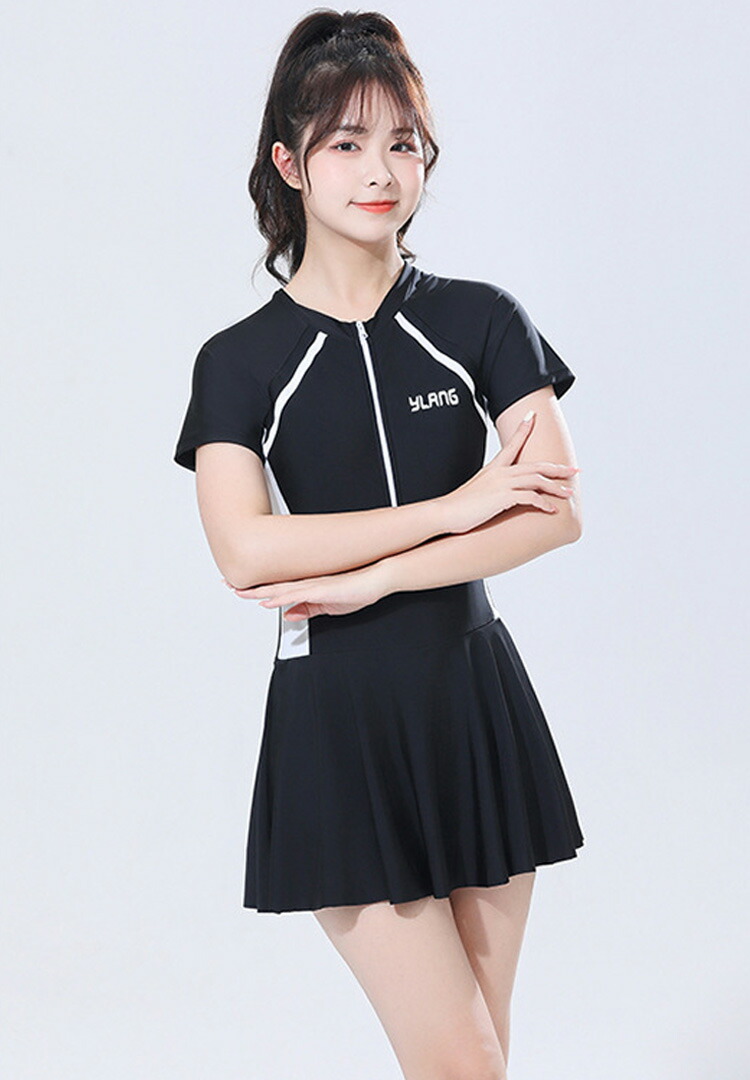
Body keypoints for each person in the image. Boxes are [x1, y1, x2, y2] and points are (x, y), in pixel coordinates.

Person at [173, 10, 584, 1080]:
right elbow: (245, 551)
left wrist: (378, 575)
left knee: (478, 1058)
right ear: (289, 163)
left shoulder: (482, 320)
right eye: (347, 143)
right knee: (464, 1061)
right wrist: (455, 508)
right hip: (339, 725)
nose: (380, 171)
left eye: (403, 143)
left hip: (473, 701)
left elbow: (554, 513)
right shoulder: (239, 361)